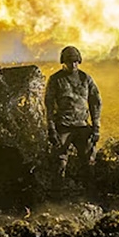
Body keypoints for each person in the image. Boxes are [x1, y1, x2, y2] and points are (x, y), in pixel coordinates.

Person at [45, 45, 102, 179]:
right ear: (63, 62)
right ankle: (57, 191)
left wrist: (96, 127)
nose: (73, 64)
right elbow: (49, 105)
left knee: (89, 161)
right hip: (63, 126)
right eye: (70, 61)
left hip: (82, 126)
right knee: (59, 162)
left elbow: (95, 102)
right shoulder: (55, 80)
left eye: (76, 61)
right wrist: (51, 128)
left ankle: (88, 190)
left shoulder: (85, 79)